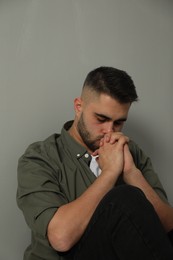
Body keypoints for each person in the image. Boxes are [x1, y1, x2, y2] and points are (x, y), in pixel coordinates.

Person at [17, 66, 173, 260]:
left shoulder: (131, 153)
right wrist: (110, 174)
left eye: (118, 122)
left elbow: (167, 228)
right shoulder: (40, 157)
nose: (109, 130)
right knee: (124, 198)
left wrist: (131, 172)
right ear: (78, 107)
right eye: (101, 119)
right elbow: (61, 238)